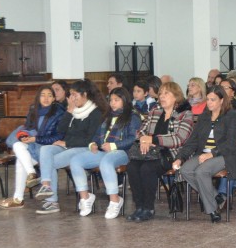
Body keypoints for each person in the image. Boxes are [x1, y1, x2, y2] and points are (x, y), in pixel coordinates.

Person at [33, 80, 108, 214]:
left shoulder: (95, 113)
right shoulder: (74, 110)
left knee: (49, 162)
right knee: (46, 150)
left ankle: (52, 201)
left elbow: (89, 139)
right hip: (68, 145)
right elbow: (61, 129)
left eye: (74, 95)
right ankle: (46, 185)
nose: (72, 98)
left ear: (84, 94)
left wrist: (67, 143)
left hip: (84, 148)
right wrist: (69, 111)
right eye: (71, 95)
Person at [173, 86, 236, 223]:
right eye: (208, 100)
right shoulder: (204, 117)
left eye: (213, 100)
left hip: (226, 155)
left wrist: (212, 153)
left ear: (222, 100)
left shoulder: (232, 116)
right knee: (185, 170)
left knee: (201, 172)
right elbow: (192, 141)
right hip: (204, 154)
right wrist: (180, 158)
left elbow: (232, 143)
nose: (209, 103)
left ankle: (212, 210)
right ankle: (216, 196)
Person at [126, 82, 194, 222]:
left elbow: (179, 139)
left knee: (147, 169)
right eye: (161, 93)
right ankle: (139, 207)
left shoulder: (185, 114)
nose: (162, 97)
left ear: (176, 97)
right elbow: (141, 132)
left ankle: (148, 208)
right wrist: (144, 140)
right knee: (132, 167)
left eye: (166, 94)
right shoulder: (154, 112)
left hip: (172, 154)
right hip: (150, 151)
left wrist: (153, 139)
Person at [69, 87, 141, 219]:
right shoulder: (106, 116)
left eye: (116, 100)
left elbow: (132, 139)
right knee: (75, 161)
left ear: (125, 101)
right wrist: (93, 144)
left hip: (123, 152)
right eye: (111, 100)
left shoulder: (132, 116)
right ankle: (85, 197)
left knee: (106, 162)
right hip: (104, 151)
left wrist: (114, 145)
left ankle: (115, 200)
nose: (112, 103)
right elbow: (96, 135)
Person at [0, 85, 66, 209]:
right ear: (38, 97)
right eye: (43, 95)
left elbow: (58, 136)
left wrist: (36, 139)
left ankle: (19, 198)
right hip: (33, 145)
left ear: (54, 99)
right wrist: (25, 136)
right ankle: (31, 174)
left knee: (20, 161)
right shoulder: (34, 109)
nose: (46, 98)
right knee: (18, 145)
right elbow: (28, 127)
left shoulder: (59, 113)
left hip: (48, 149)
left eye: (49, 95)